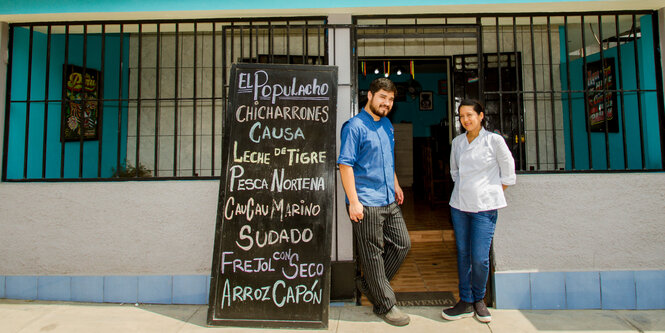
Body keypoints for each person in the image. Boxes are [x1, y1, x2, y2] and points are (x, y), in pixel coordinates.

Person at [337, 77, 411, 326]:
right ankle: (385, 304)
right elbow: (345, 165)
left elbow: (387, 160)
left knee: (402, 244)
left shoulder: (388, 124)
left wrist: (397, 184)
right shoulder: (354, 126)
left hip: (388, 198)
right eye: (382, 97)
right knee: (372, 255)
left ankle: (369, 284)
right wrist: (353, 202)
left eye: (390, 99)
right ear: (369, 96)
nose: (386, 103)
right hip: (366, 202)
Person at [441, 99, 516, 323]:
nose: (465, 120)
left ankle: (479, 299)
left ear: (481, 116)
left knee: (480, 258)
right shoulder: (457, 142)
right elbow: (455, 172)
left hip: (485, 209)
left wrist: (491, 191)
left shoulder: (494, 141)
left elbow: (508, 173)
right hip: (459, 206)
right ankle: (465, 301)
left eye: (470, 115)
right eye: (462, 116)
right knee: (463, 255)